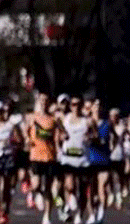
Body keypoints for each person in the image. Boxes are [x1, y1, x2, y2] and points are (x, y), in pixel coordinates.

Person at [25, 92, 61, 224]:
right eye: (41, 101)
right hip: (36, 155)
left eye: (46, 101)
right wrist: (28, 140)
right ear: (38, 103)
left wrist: (58, 149)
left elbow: (58, 136)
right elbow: (26, 131)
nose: (44, 103)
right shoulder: (33, 117)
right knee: (36, 184)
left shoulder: (53, 119)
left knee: (49, 187)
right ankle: (33, 193)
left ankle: (47, 216)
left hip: (50, 156)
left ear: (49, 103)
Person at [58, 95, 95, 224]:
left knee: (83, 190)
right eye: (73, 104)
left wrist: (89, 137)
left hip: (83, 158)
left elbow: (95, 135)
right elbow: (58, 130)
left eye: (78, 104)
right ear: (70, 106)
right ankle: (70, 200)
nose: (76, 107)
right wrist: (61, 136)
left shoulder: (87, 121)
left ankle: (79, 214)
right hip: (68, 157)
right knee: (70, 185)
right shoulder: (65, 119)